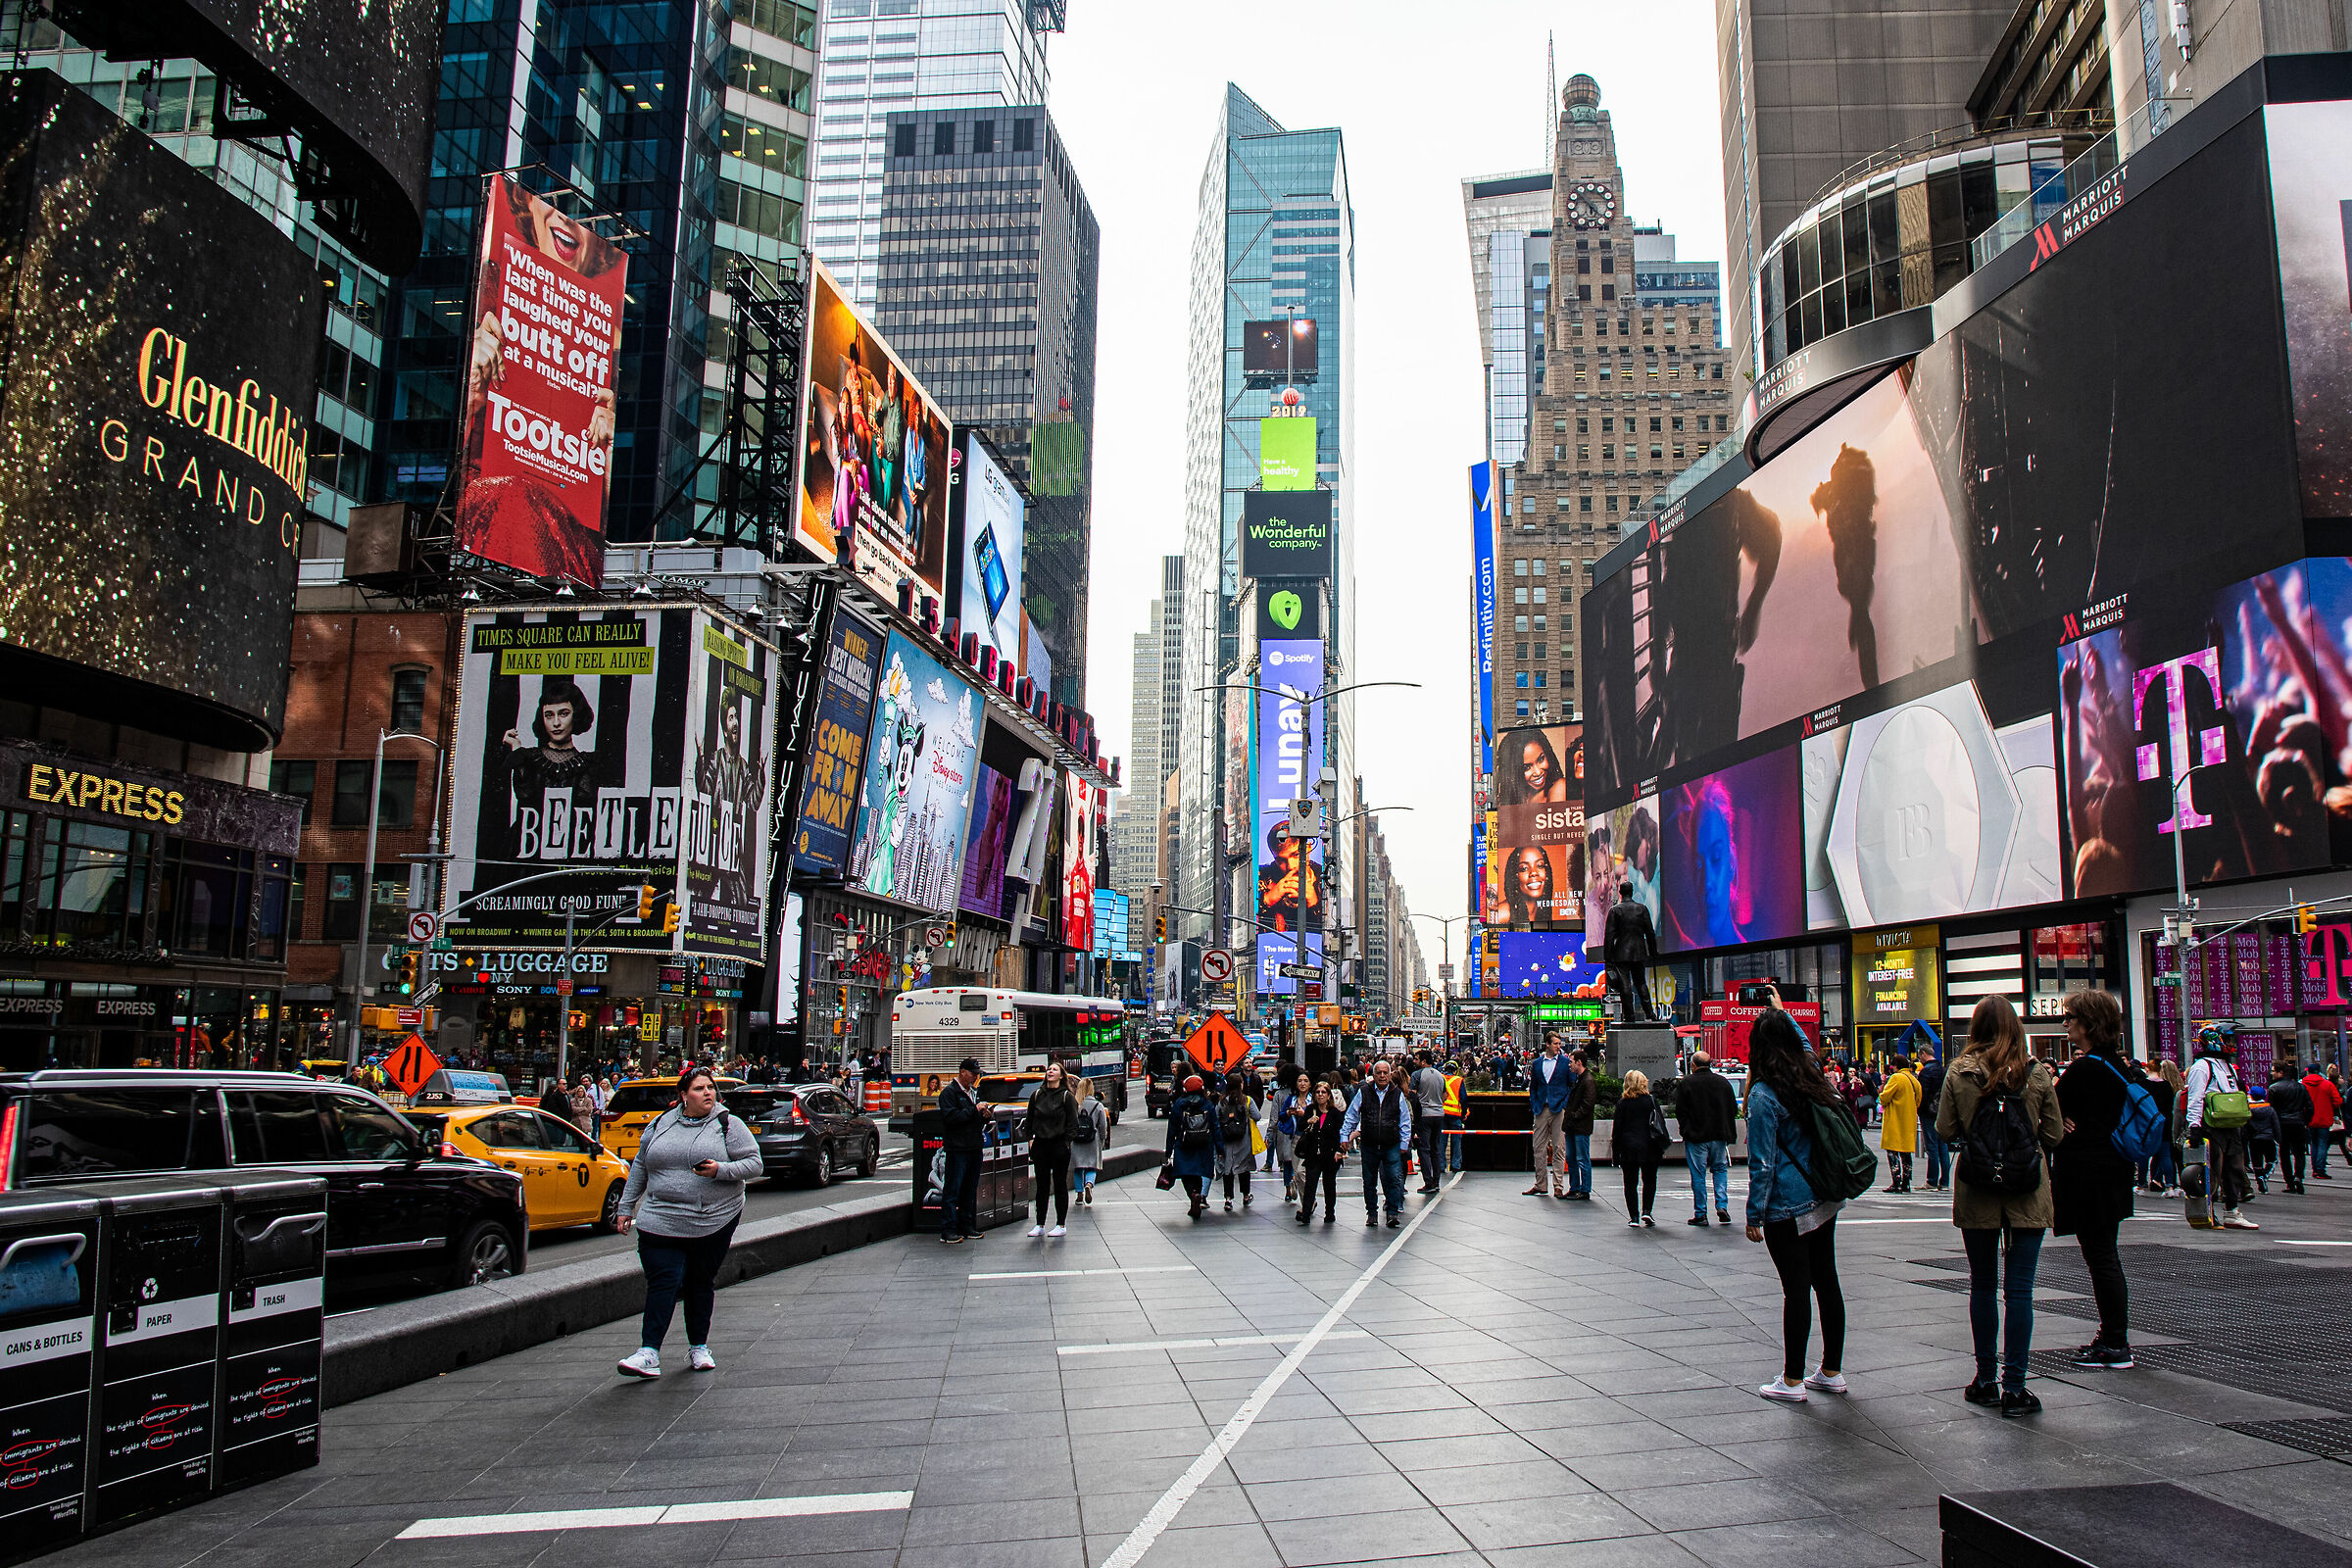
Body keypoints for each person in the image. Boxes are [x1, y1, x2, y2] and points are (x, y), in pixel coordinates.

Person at [1938, 996, 2065, 1416]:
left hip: (1977, 1188)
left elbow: (1945, 1129)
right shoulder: (2036, 1072)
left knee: (1982, 1285)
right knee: (2020, 1290)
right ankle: (2015, 1387)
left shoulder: (1960, 1071)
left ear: (1976, 1027)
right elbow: (2053, 1135)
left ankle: (1985, 1380)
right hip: (2027, 1189)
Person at [613, 1066, 762, 1379]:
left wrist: (720, 1170)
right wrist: (626, 1207)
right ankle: (648, 1352)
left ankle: (698, 1347)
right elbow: (640, 1165)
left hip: (712, 1219)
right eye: (699, 1088)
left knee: (699, 1281)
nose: (707, 1093)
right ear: (683, 1096)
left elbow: (754, 1164)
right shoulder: (660, 1123)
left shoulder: (728, 1124)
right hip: (660, 1218)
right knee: (664, 1280)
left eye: (710, 1087)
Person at [1742, 1000, 1848, 1404]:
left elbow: (1763, 1163)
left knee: (1796, 1290)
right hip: (1823, 1195)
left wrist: (1754, 1215)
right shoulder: (1810, 1075)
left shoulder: (1763, 1095)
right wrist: (1783, 1012)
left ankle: (1792, 1379)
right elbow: (1806, 1047)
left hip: (1787, 1206)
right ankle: (1831, 1371)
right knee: (1827, 1281)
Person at [2050, 991, 2136, 1370]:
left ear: (2088, 1024)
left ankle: (2115, 1342)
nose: (2065, 1023)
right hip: (2113, 1170)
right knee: (2104, 1256)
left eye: (2070, 1017)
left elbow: (2046, 1108)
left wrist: (2059, 1119)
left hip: (2089, 1175)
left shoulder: (2085, 1069)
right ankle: (2112, 1336)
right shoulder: (2115, 1064)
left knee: (2101, 1258)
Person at [2185, 1033, 2259, 1230]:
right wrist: (2194, 1125)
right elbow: (2195, 1097)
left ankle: (2232, 1212)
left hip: (2230, 1124)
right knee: (2213, 1171)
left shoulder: (2227, 1066)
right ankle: (2208, 1212)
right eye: (2227, 1040)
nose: (2231, 1044)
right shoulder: (2202, 1066)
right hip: (2212, 1126)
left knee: (2235, 1169)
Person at [1341, 1056, 1413, 1227]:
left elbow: (1405, 1120)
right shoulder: (1364, 1092)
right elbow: (1351, 1115)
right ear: (1373, 1075)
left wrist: (1404, 1142)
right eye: (1379, 1073)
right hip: (1369, 1144)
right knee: (1369, 1180)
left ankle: (1392, 1212)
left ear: (1390, 1075)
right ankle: (1371, 1213)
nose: (1382, 1076)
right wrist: (1344, 1136)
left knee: (1394, 1179)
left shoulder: (1397, 1094)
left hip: (1391, 1144)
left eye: (1385, 1073)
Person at [1678, 1050, 1739, 1225]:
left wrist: (1685, 1129)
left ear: (1693, 1065)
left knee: (1698, 1174)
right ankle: (1722, 1205)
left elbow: (1681, 1110)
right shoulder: (1723, 1082)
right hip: (1719, 1135)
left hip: (1696, 1135)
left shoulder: (1687, 1083)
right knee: (1720, 1169)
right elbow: (1733, 1109)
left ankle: (1701, 1213)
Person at [1025, 1059, 1079, 1237]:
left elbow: (1073, 1123)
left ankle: (1061, 1224)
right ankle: (1039, 1224)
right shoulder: (1037, 1095)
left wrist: (1066, 1142)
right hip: (1041, 1144)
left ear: (1061, 1076)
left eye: (1055, 1070)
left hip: (1059, 1145)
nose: (1050, 1071)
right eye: (1049, 1069)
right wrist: (1030, 1140)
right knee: (1041, 1186)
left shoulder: (1066, 1097)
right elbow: (1029, 1120)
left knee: (1060, 1184)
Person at [937, 1057, 987, 1245]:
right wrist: (974, 1110)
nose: (975, 1077)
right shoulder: (949, 1093)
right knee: (953, 1189)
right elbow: (951, 1118)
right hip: (958, 1148)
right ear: (962, 1072)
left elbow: (973, 1119)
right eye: (973, 1074)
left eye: (977, 1074)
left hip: (974, 1146)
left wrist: (984, 1115)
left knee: (970, 1189)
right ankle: (948, 1229)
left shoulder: (973, 1092)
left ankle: (967, 1226)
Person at [1614, 1070, 1670, 1227]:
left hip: (1628, 1147)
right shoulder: (1651, 1101)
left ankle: (1634, 1217)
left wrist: (1615, 1153)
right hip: (1650, 1146)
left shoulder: (1622, 1103)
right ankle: (1647, 1211)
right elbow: (1660, 1123)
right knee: (1650, 1180)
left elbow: (1617, 1130)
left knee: (1630, 1183)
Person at [1165, 1074, 1220, 1220]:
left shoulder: (1179, 1104)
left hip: (1184, 1145)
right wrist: (1220, 1148)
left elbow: (1172, 1129)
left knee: (1186, 1174)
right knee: (1198, 1173)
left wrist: (1168, 1150)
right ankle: (1197, 1195)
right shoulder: (1207, 1104)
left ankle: (1192, 1195)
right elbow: (1215, 1127)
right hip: (1204, 1145)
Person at [1604, 881, 1661, 1021]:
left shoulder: (1615, 911)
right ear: (1632, 891)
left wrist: (1608, 959)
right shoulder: (1642, 909)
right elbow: (1650, 932)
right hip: (1638, 952)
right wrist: (1653, 951)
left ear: (1620, 893)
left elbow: (1609, 936)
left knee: (1625, 985)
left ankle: (1629, 1016)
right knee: (1641, 983)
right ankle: (1650, 1014)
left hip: (1621, 953)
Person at [1528, 1034, 1575, 1198]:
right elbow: (1533, 1086)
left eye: (1559, 1044)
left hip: (1558, 1109)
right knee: (1538, 1147)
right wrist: (1534, 1103)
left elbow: (1571, 1084)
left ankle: (1558, 1186)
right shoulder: (1537, 1063)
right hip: (1541, 1108)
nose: (1558, 1046)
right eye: (1555, 1043)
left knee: (1559, 1148)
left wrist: (1564, 1104)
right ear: (1547, 1044)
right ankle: (1540, 1184)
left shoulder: (1565, 1062)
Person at [1293, 1082, 1347, 1224]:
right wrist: (1308, 1121)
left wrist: (1339, 1151)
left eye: (1323, 1092)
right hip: (1313, 1154)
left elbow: (1341, 1133)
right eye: (1318, 1092)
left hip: (1330, 1155)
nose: (1320, 1095)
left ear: (1329, 1096)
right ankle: (1306, 1212)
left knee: (1329, 1185)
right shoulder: (1311, 1110)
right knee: (1310, 1185)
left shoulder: (1335, 1113)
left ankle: (1330, 1213)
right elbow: (1300, 1126)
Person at [1266, 1071, 1311, 1202]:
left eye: (1305, 1081)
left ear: (1310, 1084)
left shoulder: (1314, 1098)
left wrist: (1304, 1114)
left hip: (1310, 1138)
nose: (1302, 1084)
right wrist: (1288, 1112)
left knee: (1302, 1171)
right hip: (1295, 1137)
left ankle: (1309, 1200)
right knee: (1296, 1171)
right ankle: (1306, 1202)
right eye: (1299, 1081)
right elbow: (1280, 1116)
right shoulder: (1291, 1099)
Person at [1879, 1055, 1921, 1193]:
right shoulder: (1913, 1079)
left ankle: (1896, 1181)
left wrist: (1881, 1094)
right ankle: (1906, 1182)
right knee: (1906, 1153)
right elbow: (1918, 1099)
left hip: (1895, 1119)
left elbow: (1884, 1097)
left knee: (1892, 1151)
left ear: (1896, 1065)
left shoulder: (1896, 1078)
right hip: (1909, 1119)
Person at [2270, 1062, 2313, 1195]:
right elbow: (2309, 1107)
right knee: (2299, 1152)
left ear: (2281, 1072)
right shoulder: (2300, 1087)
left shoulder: (2274, 1088)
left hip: (2282, 1123)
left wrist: (2273, 1126)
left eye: (2273, 1071)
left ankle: (2289, 1182)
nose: (2271, 1073)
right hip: (2298, 1122)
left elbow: (2272, 1110)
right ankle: (2298, 1176)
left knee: (2284, 1153)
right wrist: (2305, 1121)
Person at [1410, 1052, 1450, 1195]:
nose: (1414, 1061)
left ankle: (1428, 1182)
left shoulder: (1417, 1075)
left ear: (1423, 1061)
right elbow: (1445, 1095)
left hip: (1424, 1114)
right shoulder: (1440, 1076)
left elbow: (1412, 1095)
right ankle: (1436, 1181)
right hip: (1439, 1114)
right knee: (1435, 1148)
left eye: (1416, 1059)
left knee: (1424, 1149)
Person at [1216, 1075, 1256, 1211]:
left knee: (1228, 1169)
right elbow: (1257, 1116)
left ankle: (1228, 1199)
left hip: (1227, 1140)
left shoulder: (1222, 1102)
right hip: (1243, 1140)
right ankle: (1245, 1196)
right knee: (1244, 1167)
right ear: (1240, 1085)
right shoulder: (1247, 1100)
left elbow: (1216, 1118)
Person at [1563, 1050, 1598, 1200]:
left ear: (1579, 1063)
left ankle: (1584, 1189)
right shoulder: (1580, 1079)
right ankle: (1575, 1187)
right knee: (1571, 1157)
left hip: (1580, 1126)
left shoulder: (1587, 1080)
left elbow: (1588, 1104)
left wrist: (1574, 1115)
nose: (1569, 1065)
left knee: (1581, 1158)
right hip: (1573, 1125)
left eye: (1571, 1062)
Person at [1069, 1078, 1110, 1206]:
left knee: (1078, 1168)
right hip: (1092, 1139)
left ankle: (1079, 1194)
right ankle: (1089, 1184)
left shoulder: (1074, 1104)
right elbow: (1103, 1125)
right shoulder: (1098, 1105)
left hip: (1076, 1140)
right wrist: (1102, 1139)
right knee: (1091, 1166)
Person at [2303, 1061, 2341, 1180]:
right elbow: (2337, 1101)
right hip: (2324, 1118)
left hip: (2309, 1119)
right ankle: (2320, 1169)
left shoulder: (2303, 1084)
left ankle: (2315, 1169)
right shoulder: (2327, 1084)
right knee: (2322, 1144)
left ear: (2308, 1072)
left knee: (2314, 1143)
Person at [1919, 1053, 1950, 1191]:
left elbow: (1923, 1094)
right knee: (1943, 1146)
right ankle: (1945, 1182)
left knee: (1931, 1146)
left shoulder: (1926, 1072)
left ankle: (1931, 1180)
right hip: (1942, 1110)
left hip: (1928, 1112)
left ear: (1924, 1054)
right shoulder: (1943, 1070)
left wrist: (1920, 1110)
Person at [2248, 1085, 2280, 1195]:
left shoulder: (2248, 1110)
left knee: (2256, 1162)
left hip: (2254, 1139)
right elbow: (2275, 1125)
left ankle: (2259, 1179)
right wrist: (2278, 1139)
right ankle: (2265, 1175)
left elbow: (2245, 1126)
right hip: (2268, 1138)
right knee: (2272, 1160)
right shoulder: (2270, 1109)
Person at [1442, 1059, 1468, 1174]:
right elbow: (1463, 1098)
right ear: (1456, 1070)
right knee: (1456, 1142)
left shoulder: (1440, 1078)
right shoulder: (1459, 1080)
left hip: (1442, 1114)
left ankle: (1441, 1165)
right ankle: (1456, 1165)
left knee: (1441, 1141)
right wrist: (1463, 1114)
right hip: (1455, 1115)